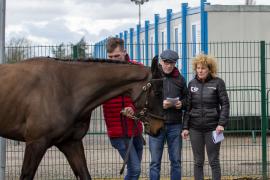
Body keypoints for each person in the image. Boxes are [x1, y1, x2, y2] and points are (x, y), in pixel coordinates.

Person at [181, 54, 230, 180]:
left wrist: (221, 124)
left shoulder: (218, 83)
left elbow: (225, 104)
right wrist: (185, 127)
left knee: (214, 161)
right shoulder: (192, 84)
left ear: (209, 69)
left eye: (203, 68)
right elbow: (188, 107)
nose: (200, 71)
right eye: (198, 68)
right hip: (195, 128)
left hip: (213, 128)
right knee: (198, 161)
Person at [102, 37, 143, 180]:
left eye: (117, 56)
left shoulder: (137, 69)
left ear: (124, 52)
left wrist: (133, 108)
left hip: (135, 129)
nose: (113, 59)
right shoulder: (102, 75)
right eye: (110, 57)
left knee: (134, 170)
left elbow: (144, 95)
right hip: (117, 132)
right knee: (135, 170)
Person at [149, 49, 188, 180]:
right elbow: (146, 100)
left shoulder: (181, 79)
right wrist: (161, 104)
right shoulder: (153, 77)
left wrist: (181, 104)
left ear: (175, 63)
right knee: (155, 162)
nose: (169, 65)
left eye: (172, 63)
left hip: (175, 125)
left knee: (176, 161)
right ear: (161, 61)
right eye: (166, 62)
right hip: (156, 124)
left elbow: (188, 100)